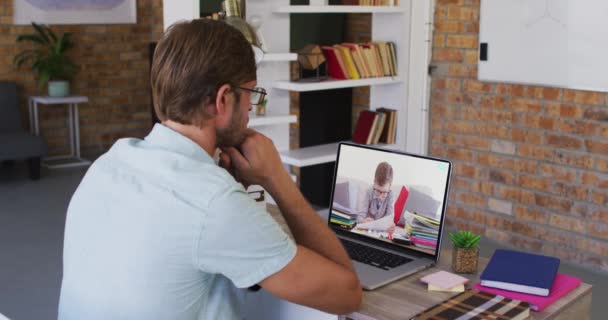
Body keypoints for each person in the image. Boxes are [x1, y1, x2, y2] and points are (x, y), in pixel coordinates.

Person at [58, 19, 361, 320]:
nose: (251, 109)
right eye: (251, 95)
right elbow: (347, 295)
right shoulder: (213, 202)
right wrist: (276, 178)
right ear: (222, 100)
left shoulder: (109, 163)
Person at [356, 162, 395, 233]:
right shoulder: (368, 192)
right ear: (374, 182)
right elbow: (360, 217)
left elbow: (389, 218)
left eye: (384, 192)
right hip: (367, 230)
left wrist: (390, 226)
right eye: (378, 191)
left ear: (390, 187)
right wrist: (363, 221)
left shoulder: (391, 195)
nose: (380, 197)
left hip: (381, 233)